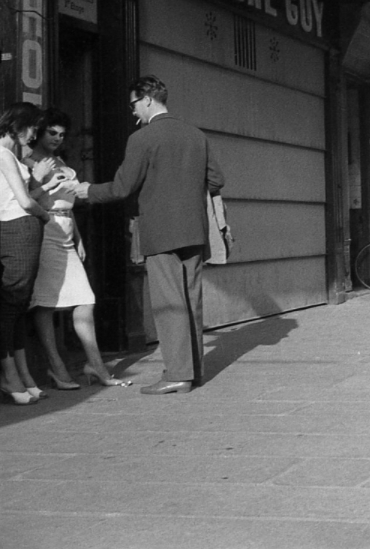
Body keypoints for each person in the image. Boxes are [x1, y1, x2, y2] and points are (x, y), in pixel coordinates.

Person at [75, 76, 224, 395]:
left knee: (169, 304)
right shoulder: (196, 135)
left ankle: (177, 375)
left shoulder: (142, 138)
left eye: (132, 105)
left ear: (146, 100)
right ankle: (193, 372)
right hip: (195, 230)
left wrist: (87, 191)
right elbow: (216, 180)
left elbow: (122, 187)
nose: (132, 113)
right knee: (191, 300)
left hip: (161, 230)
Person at [25, 109, 128, 389]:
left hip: (67, 233)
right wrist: (41, 179)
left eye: (61, 134)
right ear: (39, 132)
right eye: (51, 133)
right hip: (45, 231)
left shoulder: (60, 161)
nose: (57, 138)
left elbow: (69, 207)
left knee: (85, 299)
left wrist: (79, 238)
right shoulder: (29, 161)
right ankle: (57, 366)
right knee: (45, 302)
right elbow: (27, 199)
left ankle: (94, 364)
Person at [0, 102, 62, 405]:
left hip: (19, 228)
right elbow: (24, 203)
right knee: (12, 303)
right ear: (17, 124)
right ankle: (10, 376)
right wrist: (45, 216)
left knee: (18, 305)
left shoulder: (11, 155)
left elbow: (21, 197)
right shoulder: (3, 153)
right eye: (31, 128)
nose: (33, 134)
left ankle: (22, 375)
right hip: (17, 229)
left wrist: (45, 187)